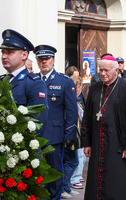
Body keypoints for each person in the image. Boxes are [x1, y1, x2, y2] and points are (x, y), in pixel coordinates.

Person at [81, 55, 126, 200]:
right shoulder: (94, 88)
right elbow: (87, 117)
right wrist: (86, 142)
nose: (102, 73)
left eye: (106, 70)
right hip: (97, 144)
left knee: (118, 185)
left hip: (118, 145)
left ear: (116, 71)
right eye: (100, 70)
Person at [33, 44, 78, 200]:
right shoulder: (32, 80)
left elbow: (72, 111)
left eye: (47, 58)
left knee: (55, 175)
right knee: (36, 175)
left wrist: (70, 134)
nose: (44, 62)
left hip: (55, 137)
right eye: (41, 59)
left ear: (53, 59)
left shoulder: (64, 81)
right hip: (34, 137)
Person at [0, 29, 47, 123]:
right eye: (3, 52)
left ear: (24, 55)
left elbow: (37, 123)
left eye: (9, 52)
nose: (4, 56)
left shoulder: (34, 84)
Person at [70, 76, 86, 189]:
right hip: (75, 134)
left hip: (80, 133)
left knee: (81, 157)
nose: (79, 90)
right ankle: (74, 178)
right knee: (77, 157)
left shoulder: (77, 100)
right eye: (78, 87)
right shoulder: (72, 101)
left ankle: (77, 176)